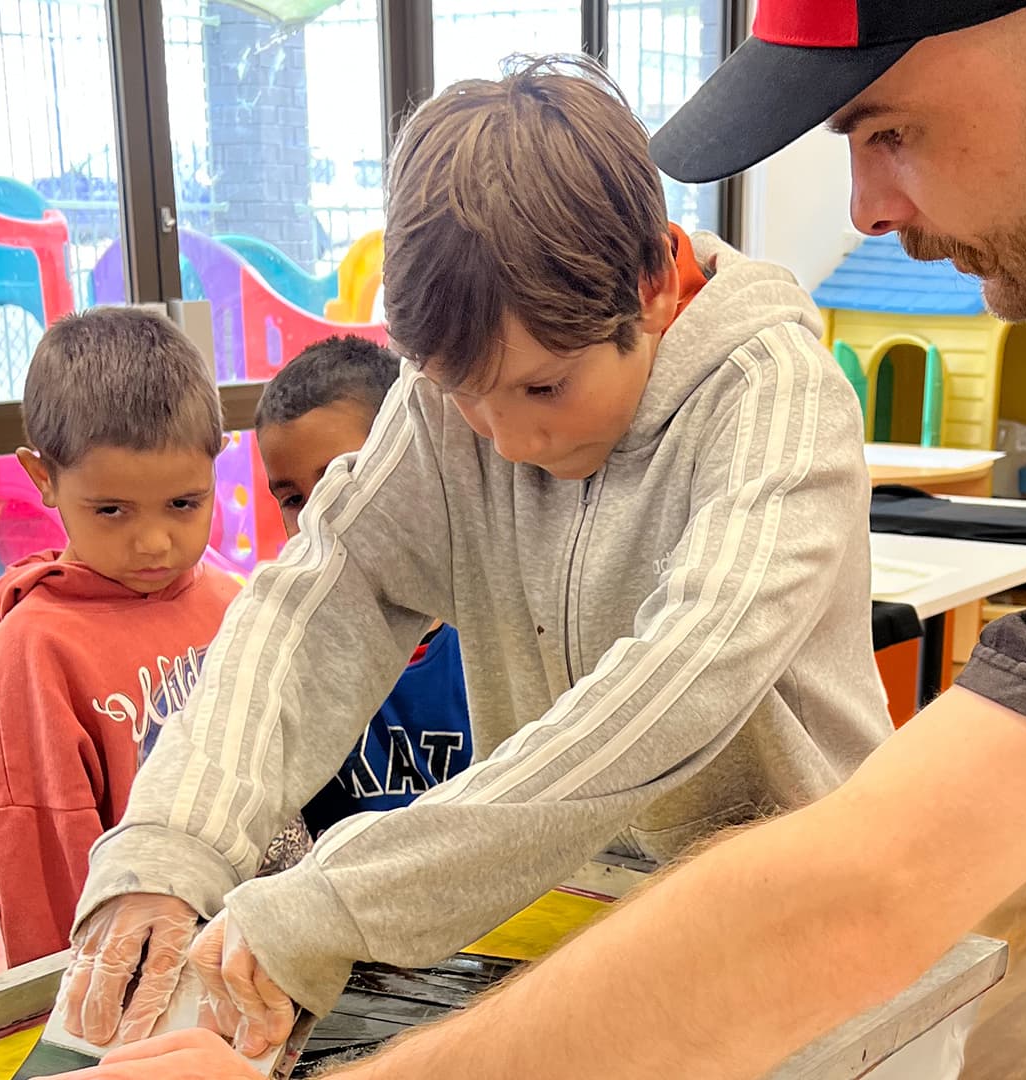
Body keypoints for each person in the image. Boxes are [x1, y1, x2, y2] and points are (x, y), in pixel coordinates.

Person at [69, 0, 1026, 1078]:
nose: (868, 206)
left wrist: (299, 932)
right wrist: (172, 858)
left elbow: (854, 884)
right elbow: (324, 587)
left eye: (890, 129)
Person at [49, 56, 893, 1060]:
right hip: (570, 900)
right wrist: (171, 846)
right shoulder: (453, 399)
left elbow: (671, 696)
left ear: (655, 285)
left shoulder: (775, 403)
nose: (505, 439)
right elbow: (317, 600)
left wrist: (327, 904)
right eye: (464, 393)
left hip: (801, 917)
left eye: (543, 389)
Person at [0, 308, 239, 967]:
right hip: (127, 979)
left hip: (256, 959)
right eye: (110, 510)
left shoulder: (237, 602)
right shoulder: (35, 649)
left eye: (184, 504)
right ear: (43, 477)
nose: (153, 542)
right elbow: (42, 850)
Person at [252, 334, 473, 832]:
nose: (320, 515)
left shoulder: (483, 639)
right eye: (292, 498)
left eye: (343, 477)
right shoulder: (291, 656)